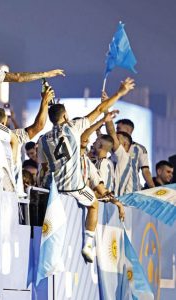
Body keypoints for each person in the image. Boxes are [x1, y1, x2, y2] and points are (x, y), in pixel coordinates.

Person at [37, 78, 135, 262]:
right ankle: (88, 245)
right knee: (94, 204)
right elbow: (98, 110)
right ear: (65, 116)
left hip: (55, 189)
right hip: (74, 187)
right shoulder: (73, 127)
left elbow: (43, 167)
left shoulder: (42, 139)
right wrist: (120, 92)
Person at [115, 118, 154, 190]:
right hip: (114, 190)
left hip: (132, 190)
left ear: (128, 130)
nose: (116, 131)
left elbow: (145, 170)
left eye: (118, 128)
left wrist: (153, 189)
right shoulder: (113, 146)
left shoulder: (140, 148)